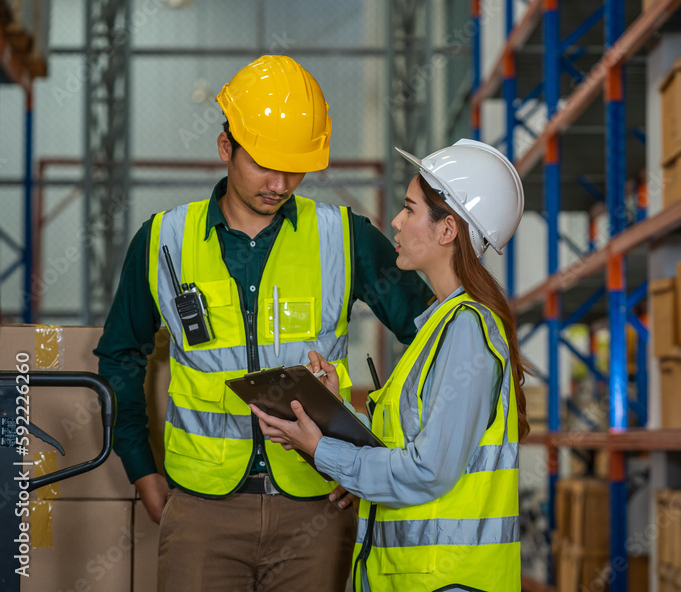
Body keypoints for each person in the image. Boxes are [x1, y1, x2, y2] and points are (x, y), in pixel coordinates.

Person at [94, 54, 434, 592]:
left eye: (294, 168)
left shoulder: (343, 238)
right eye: (265, 163)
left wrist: (373, 458)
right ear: (226, 147)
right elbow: (119, 355)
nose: (279, 183)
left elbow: (433, 337)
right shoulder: (163, 242)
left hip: (317, 504)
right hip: (202, 507)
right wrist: (140, 468)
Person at [253, 138, 529, 592]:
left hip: (446, 580)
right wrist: (333, 406)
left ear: (447, 231)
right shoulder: (440, 327)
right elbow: (410, 444)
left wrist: (323, 450)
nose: (396, 223)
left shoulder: (467, 331)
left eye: (410, 209)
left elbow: (428, 470)